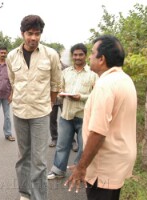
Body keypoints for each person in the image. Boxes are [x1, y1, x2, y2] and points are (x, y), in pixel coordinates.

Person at [65, 35, 137, 200]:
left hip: (104, 165)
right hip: (119, 160)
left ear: (101, 59)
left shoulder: (105, 85)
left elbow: (98, 132)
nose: (89, 57)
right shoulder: (125, 79)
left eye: (92, 53)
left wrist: (81, 167)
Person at [6, 15, 61, 200]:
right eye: (30, 33)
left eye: (37, 34)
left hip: (41, 114)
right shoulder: (12, 56)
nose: (33, 38)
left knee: (39, 162)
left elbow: (55, 84)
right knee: (23, 158)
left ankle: (39, 197)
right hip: (19, 112)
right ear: (22, 33)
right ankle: (25, 194)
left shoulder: (51, 55)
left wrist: (49, 104)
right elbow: (13, 82)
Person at [47, 43, 98, 180]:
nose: (77, 57)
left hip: (84, 116)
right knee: (62, 145)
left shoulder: (93, 75)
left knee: (83, 147)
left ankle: (79, 171)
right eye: (75, 55)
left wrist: (80, 97)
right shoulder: (65, 73)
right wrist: (61, 94)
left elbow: (96, 95)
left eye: (80, 54)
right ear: (72, 56)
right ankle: (58, 171)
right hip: (66, 115)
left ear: (85, 56)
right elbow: (59, 89)